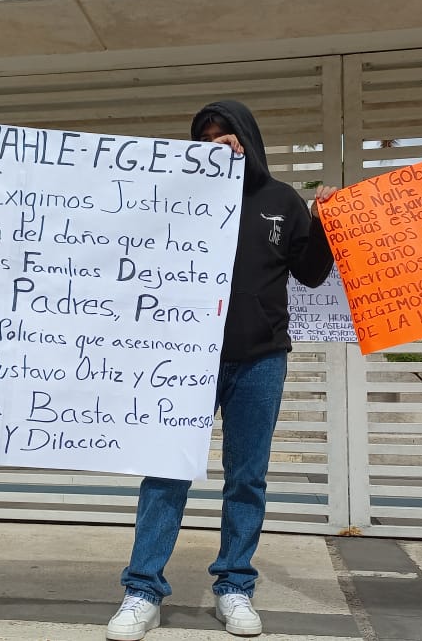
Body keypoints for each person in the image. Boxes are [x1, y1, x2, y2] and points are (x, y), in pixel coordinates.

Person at [106, 101, 334, 640]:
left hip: (261, 360)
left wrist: (324, 222)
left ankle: (234, 586)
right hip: (187, 360)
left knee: (247, 477)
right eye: (205, 138)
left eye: (227, 134)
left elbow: (311, 274)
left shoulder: (280, 200)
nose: (218, 144)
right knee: (166, 471)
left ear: (249, 138)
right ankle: (142, 590)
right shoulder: (179, 199)